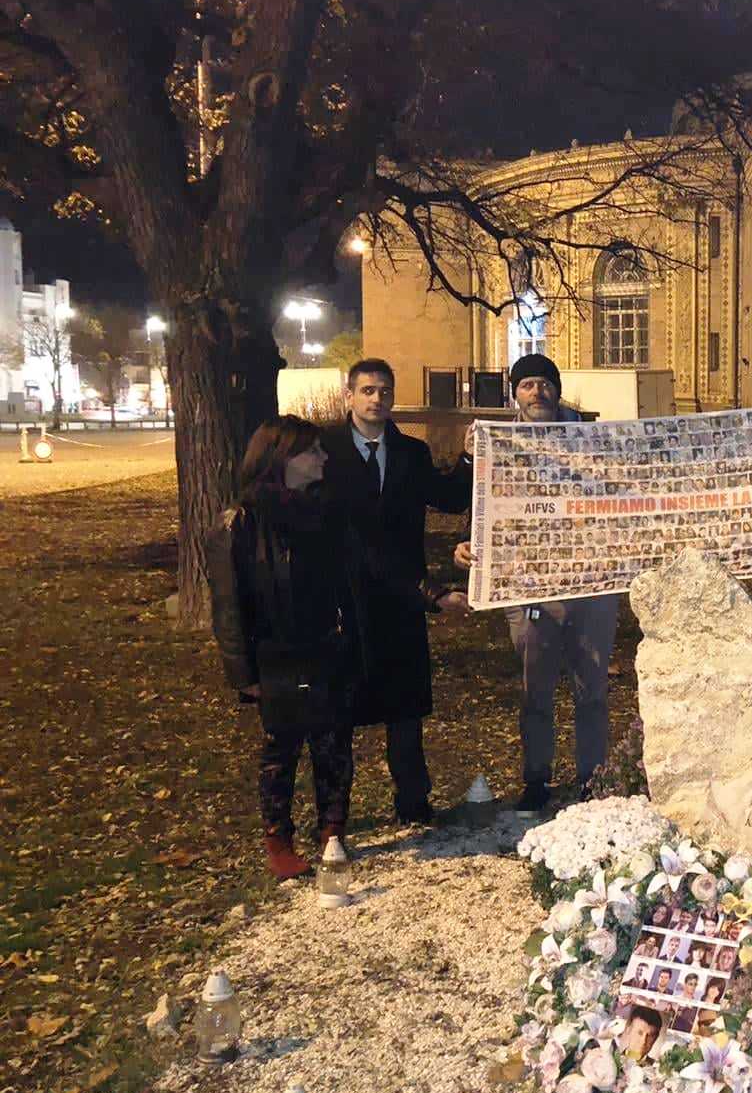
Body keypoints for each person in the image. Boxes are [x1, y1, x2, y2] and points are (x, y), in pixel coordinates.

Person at [207, 416, 467, 880]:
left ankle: (332, 830)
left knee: (334, 747)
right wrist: (243, 675)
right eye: (313, 451)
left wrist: (434, 595)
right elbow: (228, 607)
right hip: (276, 656)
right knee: (281, 753)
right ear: (283, 458)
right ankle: (279, 840)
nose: (323, 457)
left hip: (330, 647)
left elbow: (378, 564)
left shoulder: (327, 512)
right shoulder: (240, 523)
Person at [454, 353, 622, 816]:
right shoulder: (495, 444)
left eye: (545, 383)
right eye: (527, 384)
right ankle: (537, 779)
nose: (537, 392)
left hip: (591, 585)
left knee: (592, 689)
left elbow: (624, 493)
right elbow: (480, 504)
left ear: (558, 390)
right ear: (515, 394)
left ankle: (593, 779)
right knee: (536, 690)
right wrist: (468, 542)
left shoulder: (592, 440)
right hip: (528, 589)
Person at [319, 358, 473, 824]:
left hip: (402, 602)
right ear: (349, 395)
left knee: (405, 711)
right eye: (367, 390)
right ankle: (333, 817)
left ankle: (413, 802)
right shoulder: (322, 451)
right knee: (337, 717)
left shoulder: (411, 452)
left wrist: (469, 458)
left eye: (385, 391)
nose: (377, 399)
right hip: (341, 603)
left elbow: (450, 498)